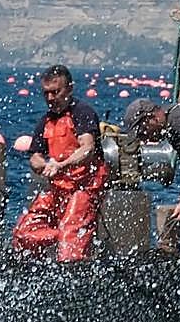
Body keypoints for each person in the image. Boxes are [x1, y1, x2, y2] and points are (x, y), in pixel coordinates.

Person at [11, 64, 108, 262]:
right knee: (24, 232)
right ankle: (53, 246)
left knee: (71, 233)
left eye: (55, 92)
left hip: (84, 187)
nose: (50, 98)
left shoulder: (82, 112)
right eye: (46, 93)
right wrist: (42, 164)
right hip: (58, 188)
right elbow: (35, 156)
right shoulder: (45, 121)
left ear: (69, 89)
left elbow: (87, 149)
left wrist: (61, 165)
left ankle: (73, 259)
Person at [124, 96, 180, 249]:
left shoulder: (177, 121)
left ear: (151, 118)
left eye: (142, 133)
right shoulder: (172, 130)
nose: (145, 140)